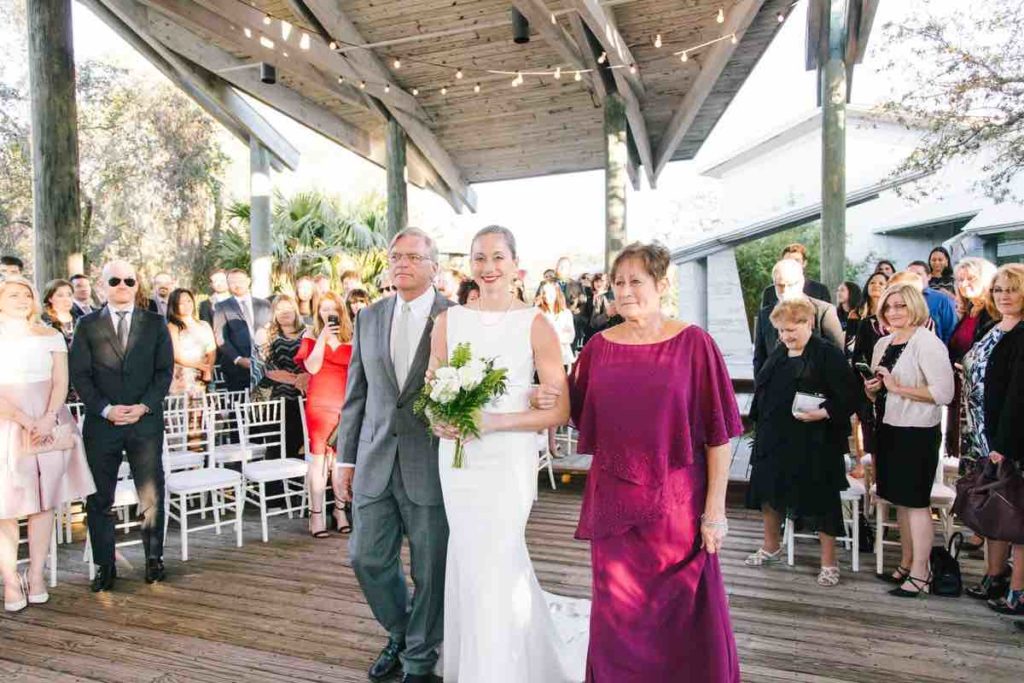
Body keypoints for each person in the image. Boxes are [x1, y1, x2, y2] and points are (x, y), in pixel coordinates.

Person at [571, 242, 742, 682]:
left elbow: (718, 436)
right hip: (613, 508)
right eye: (619, 282)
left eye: (636, 281)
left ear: (662, 285)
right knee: (616, 618)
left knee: (680, 616)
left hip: (678, 510)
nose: (625, 291)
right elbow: (570, 407)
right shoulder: (597, 348)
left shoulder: (695, 344)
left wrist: (715, 511)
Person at [430, 226, 582, 682]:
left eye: (498, 257)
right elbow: (432, 386)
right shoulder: (447, 321)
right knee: (468, 555)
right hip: (458, 459)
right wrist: (437, 418)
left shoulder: (536, 323)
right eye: (479, 258)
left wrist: (495, 422)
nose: (488, 267)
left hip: (508, 459)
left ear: (515, 263)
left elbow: (559, 408)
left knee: (498, 554)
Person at [334, 227, 453, 683]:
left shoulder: (455, 317)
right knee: (366, 557)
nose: (401, 263)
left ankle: (420, 661)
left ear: (433, 267)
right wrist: (346, 459)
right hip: (375, 460)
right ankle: (401, 632)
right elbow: (356, 395)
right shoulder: (369, 317)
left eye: (412, 257)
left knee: (430, 569)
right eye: (395, 256)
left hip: (433, 464)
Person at [69, 261, 174, 590]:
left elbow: (164, 372)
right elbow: (80, 376)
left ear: (136, 284)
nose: (122, 285)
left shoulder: (156, 323)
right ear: (103, 286)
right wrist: (106, 409)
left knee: (151, 493)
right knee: (99, 498)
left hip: (145, 422)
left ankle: (154, 559)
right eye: (114, 280)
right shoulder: (87, 325)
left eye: (129, 280)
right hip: (103, 425)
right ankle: (104, 566)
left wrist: (144, 406)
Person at [745, 297, 857, 586]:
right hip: (775, 438)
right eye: (781, 331)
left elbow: (849, 396)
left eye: (791, 329)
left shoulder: (827, 354)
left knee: (822, 500)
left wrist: (822, 413)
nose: (785, 336)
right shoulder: (779, 353)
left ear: (808, 323)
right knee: (769, 492)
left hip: (815, 441)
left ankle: (829, 563)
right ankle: (771, 546)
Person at [0, 277, 95, 612]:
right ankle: (10, 581)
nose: (22, 298)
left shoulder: (50, 334)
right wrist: (25, 421)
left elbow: (60, 381)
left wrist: (47, 417)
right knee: (5, 509)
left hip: (49, 421)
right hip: (6, 425)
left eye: (27, 293)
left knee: (44, 503)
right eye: (13, 294)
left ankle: (36, 574)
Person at [864, 281, 954, 597]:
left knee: (916, 503)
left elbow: (944, 393)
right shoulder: (883, 343)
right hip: (888, 428)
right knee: (898, 500)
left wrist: (898, 388)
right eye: (888, 306)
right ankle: (905, 562)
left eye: (901, 305)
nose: (893, 311)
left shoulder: (928, 344)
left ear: (915, 305)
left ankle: (921, 572)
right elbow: (882, 385)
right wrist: (874, 388)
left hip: (917, 432)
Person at [961, 264, 1024, 606]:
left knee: (1013, 510)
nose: (1004, 296)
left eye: (1012, 289)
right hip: (978, 433)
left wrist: (1003, 443)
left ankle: (1016, 588)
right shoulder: (990, 326)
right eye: (999, 289)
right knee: (990, 509)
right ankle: (993, 575)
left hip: (1006, 437)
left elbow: (1018, 394)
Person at [295, 290, 353, 538]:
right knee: (318, 461)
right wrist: (323, 340)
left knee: (341, 460)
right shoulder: (310, 334)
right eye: (323, 308)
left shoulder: (353, 337)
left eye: (333, 308)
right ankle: (316, 514)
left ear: (341, 311)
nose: (328, 313)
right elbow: (312, 366)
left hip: (346, 405)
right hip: (320, 404)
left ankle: (339, 510)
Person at [753, 259, 844, 376]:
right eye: (780, 285)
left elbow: (838, 355)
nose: (785, 290)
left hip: (813, 387)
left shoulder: (824, 311)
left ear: (801, 282)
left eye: (790, 284)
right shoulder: (765, 314)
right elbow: (759, 359)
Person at [948, 257, 997, 467]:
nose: (964, 283)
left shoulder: (993, 314)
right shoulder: (968, 312)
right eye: (960, 279)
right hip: (961, 392)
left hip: (981, 397)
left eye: (970, 278)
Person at [259, 295, 309, 463]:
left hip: (310, 396)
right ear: (274, 313)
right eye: (280, 309)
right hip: (281, 399)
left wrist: (308, 377)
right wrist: (299, 379)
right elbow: (268, 369)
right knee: (280, 447)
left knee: (307, 446)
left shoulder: (310, 332)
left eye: (288, 308)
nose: (284, 313)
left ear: (296, 310)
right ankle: (276, 485)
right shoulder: (268, 336)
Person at [212, 269, 271, 392]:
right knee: (239, 407)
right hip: (236, 369)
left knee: (264, 407)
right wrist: (238, 359)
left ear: (248, 281)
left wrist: (265, 357)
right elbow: (221, 337)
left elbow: (272, 331)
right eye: (232, 282)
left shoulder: (264, 304)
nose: (237, 285)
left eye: (240, 280)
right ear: (228, 284)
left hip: (265, 365)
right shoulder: (222, 307)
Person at [166, 289, 216, 401]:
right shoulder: (172, 327)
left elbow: (211, 350)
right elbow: (176, 355)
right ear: (174, 305)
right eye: (181, 303)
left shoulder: (204, 325)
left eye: (189, 301)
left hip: (203, 375)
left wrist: (208, 370)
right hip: (181, 376)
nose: (187, 305)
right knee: (183, 413)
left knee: (202, 413)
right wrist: (199, 365)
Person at [759, 243, 832, 308]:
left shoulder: (820, 290)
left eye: (796, 260)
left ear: (804, 263)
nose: (792, 264)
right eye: (788, 261)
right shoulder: (769, 292)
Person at [905, 262, 957, 343]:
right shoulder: (901, 298)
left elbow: (950, 330)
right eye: (910, 275)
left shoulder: (941, 299)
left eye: (918, 274)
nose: (914, 278)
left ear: (929, 276)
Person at [40, 279, 76, 347]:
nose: (66, 299)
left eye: (69, 295)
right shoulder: (44, 322)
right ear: (50, 298)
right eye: (60, 295)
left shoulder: (80, 319)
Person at [584, 273, 613, 344]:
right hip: (589, 332)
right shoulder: (589, 295)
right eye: (596, 281)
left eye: (601, 281)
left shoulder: (608, 296)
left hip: (602, 332)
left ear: (606, 283)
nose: (599, 283)